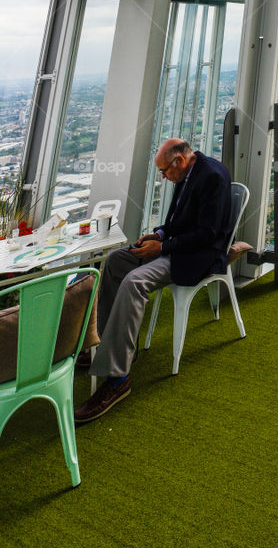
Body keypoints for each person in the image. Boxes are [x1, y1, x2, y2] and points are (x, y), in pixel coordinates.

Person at [74, 138, 232, 423]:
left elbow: (208, 235)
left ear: (179, 161)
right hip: (174, 246)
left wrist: (164, 247)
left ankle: (118, 377)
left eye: (164, 171)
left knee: (134, 282)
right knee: (116, 261)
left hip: (195, 256)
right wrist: (159, 235)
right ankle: (111, 343)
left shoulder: (212, 178)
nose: (163, 176)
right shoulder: (187, 173)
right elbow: (178, 221)